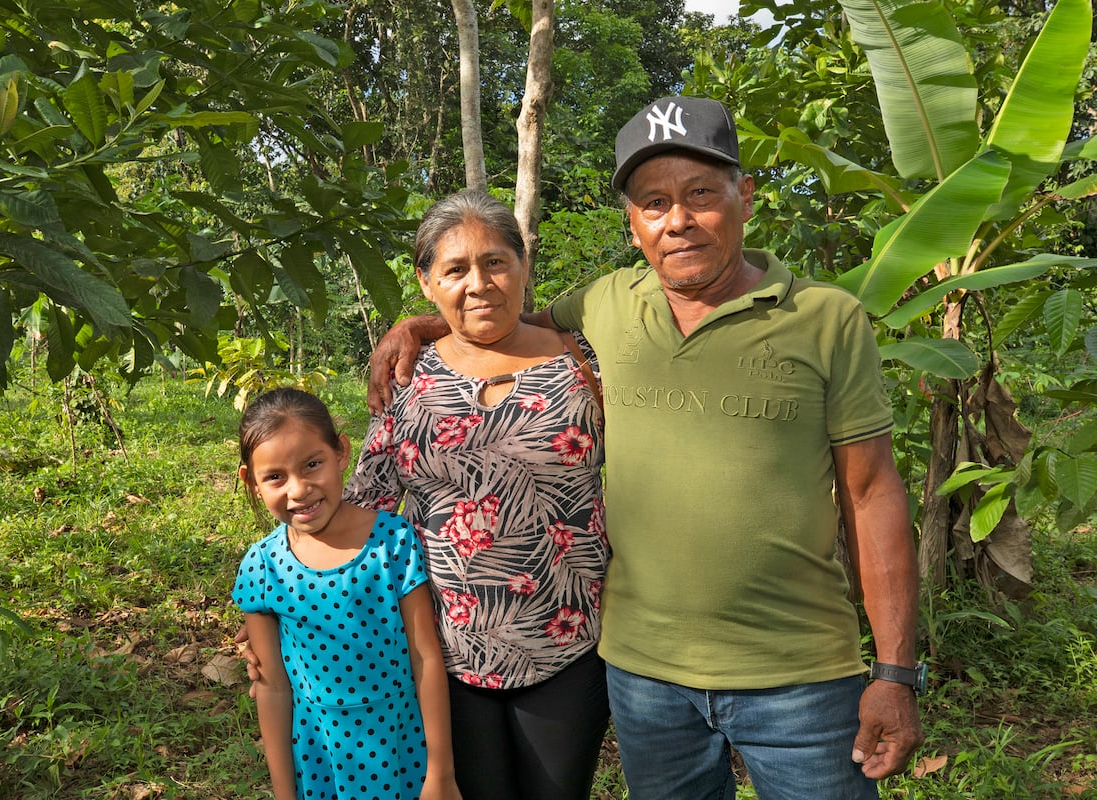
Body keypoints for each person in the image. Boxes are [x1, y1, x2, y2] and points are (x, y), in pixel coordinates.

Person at [368, 96, 924, 799]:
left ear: (744, 196)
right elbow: (501, 323)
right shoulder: (606, 305)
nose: (679, 220)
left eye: (701, 194)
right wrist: (421, 326)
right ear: (633, 226)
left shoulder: (825, 319)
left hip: (800, 677)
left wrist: (895, 674)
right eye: (654, 202)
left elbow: (872, 492)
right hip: (644, 678)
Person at [245, 192, 611, 800]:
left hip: (568, 641)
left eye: (496, 262)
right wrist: (274, 616)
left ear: (524, 265)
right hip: (443, 654)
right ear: (426, 282)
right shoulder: (408, 374)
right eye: (456, 269)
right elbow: (359, 506)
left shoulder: (583, 360)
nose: (480, 284)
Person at [232, 387, 461, 800]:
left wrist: (441, 773)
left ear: (341, 452)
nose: (299, 490)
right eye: (275, 477)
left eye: (312, 464)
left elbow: (425, 655)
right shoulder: (263, 566)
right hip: (319, 760)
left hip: (400, 749)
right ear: (252, 482)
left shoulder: (391, 541)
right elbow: (272, 687)